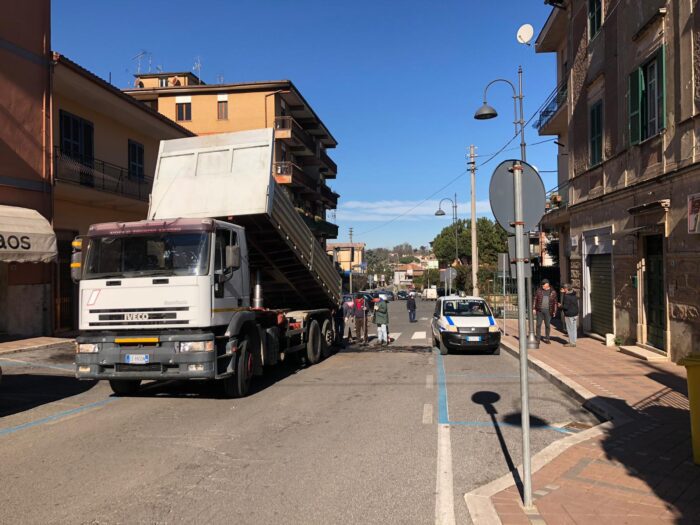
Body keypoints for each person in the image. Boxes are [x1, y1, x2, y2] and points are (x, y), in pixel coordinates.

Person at [533, 279, 558, 344]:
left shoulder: (553, 292)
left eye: (543, 285)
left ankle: (547, 338)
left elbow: (555, 302)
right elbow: (535, 299)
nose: (542, 286)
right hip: (539, 310)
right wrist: (534, 308)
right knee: (538, 325)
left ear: (547, 284)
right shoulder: (539, 291)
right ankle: (538, 339)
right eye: (542, 285)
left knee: (547, 325)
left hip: (548, 311)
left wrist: (555, 311)